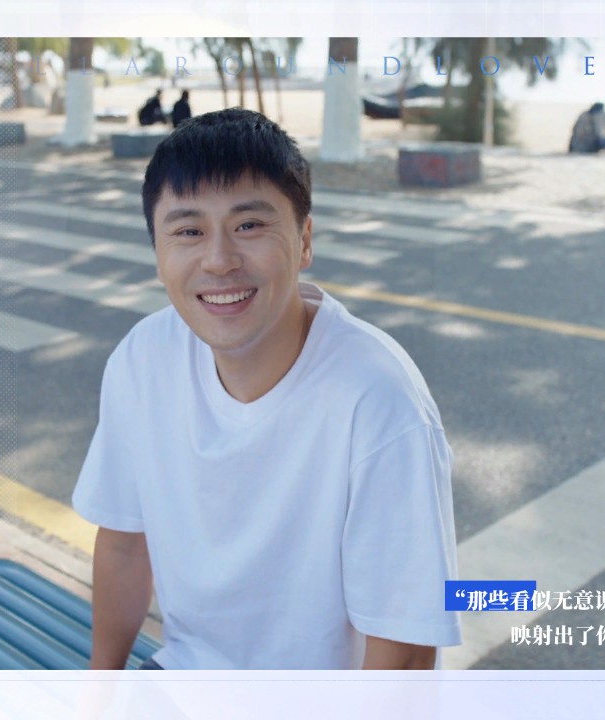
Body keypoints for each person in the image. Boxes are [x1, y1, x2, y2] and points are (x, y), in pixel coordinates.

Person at [72, 109, 462, 670]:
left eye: (250, 225)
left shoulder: (379, 400)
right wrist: (99, 695)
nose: (219, 260)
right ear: (158, 254)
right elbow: (124, 544)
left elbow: (404, 647)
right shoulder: (143, 358)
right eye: (188, 231)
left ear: (304, 241)